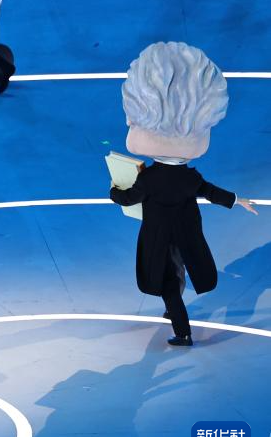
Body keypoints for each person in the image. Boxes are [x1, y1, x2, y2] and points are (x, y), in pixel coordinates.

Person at [108, 42, 257, 347]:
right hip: (186, 234)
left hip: (158, 236)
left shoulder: (149, 178)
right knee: (177, 270)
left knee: (166, 281)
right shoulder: (190, 177)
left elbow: (128, 198)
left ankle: (182, 331)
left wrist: (113, 190)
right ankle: (173, 309)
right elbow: (209, 191)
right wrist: (235, 200)